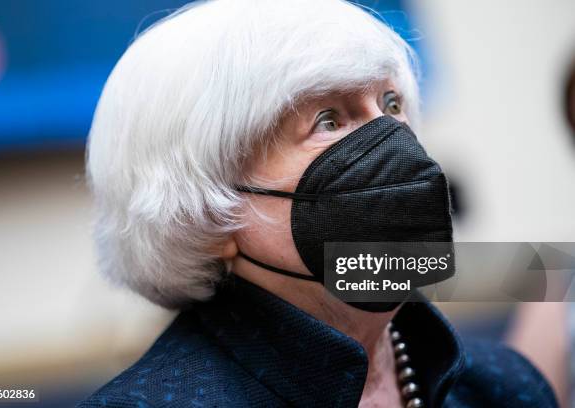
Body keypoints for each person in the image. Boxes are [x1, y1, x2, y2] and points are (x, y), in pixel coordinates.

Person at [77, 0, 557, 406]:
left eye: (391, 104)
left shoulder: (504, 386)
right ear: (206, 210)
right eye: (327, 120)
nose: (392, 139)